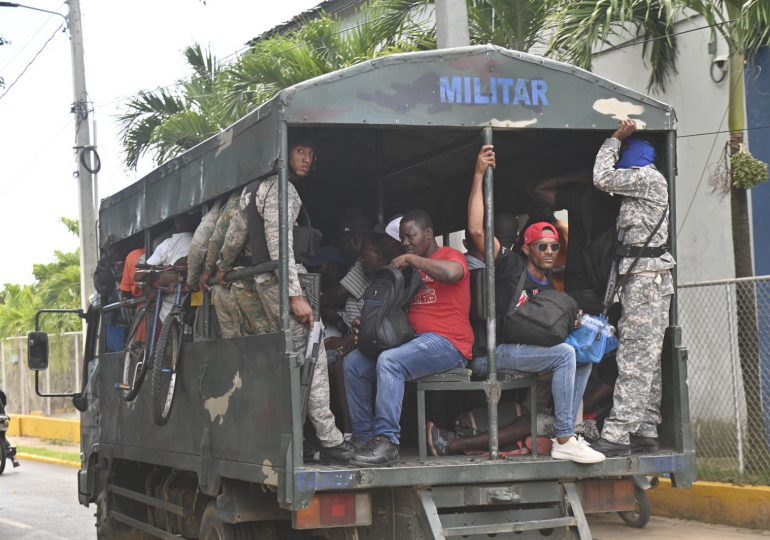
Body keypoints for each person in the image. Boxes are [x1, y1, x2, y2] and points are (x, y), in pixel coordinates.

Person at [469, 145, 605, 464]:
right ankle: (564, 436)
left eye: (554, 245)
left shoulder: (550, 284)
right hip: (495, 352)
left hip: (528, 353)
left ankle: (568, 430)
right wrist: (478, 174)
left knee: (584, 352)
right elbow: (476, 230)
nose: (549, 250)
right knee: (565, 354)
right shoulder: (511, 267)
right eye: (541, 245)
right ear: (527, 247)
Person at [246, 134, 351, 465]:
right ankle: (329, 439)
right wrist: (295, 295)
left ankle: (305, 437)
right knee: (313, 355)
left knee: (296, 362)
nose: (307, 158)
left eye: (311, 152)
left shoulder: (257, 189)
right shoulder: (282, 190)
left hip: (269, 282)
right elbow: (282, 250)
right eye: (300, 151)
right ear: (283, 152)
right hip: (282, 286)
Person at [344, 209, 473, 467]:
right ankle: (363, 438)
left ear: (428, 234)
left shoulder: (450, 255)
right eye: (402, 238)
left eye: (410, 236)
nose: (405, 243)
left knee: (390, 362)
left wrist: (413, 260)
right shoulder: (408, 271)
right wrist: (370, 326)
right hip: (413, 343)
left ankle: (387, 442)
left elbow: (451, 274)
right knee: (354, 364)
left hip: (449, 344)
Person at [589, 119, 675, 457]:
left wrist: (613, 139)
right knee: (647, 359)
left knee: (635, 359)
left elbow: (602, 177)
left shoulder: (647, 179)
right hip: (642, 279)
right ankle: (645, 428)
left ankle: (618, 433)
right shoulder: (643, 184)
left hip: (647, 281)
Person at [210, 192, 272, 337]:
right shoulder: (248, 197)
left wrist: (216, 269)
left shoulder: (239, 200)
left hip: (249, 280)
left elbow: (221, 240)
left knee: (255, 333)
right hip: (255, 279)